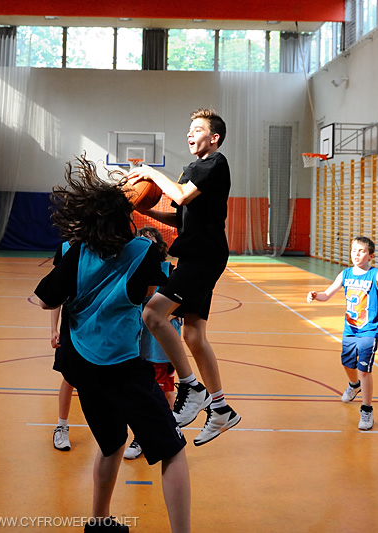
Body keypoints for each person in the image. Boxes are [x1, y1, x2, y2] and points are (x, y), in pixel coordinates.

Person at [34, 156, 190, 532]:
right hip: (122, 366)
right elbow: (158, 296)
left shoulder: (75, 252)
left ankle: (99, 522)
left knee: (112, 443)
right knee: (172, 450)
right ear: (128, 216)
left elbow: (45, 300)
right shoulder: (143, 252)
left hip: (82, 366)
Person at [127, 108, 240, 446]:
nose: (190, 134)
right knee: (193, 335)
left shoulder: (214, 163)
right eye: (189, 129)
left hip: (204, 256)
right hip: (197, 254)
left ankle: (192, 388)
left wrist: (149, 171)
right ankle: (221, 409)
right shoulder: (193, 169)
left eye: (198, 129)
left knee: (152, 314)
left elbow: (180, 195)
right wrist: (147, 210)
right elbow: (181, 217)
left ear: (214, 137)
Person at [306, 236, 378, 430]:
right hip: (350, 329)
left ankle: (367, 410)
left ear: (370, 256)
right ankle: (354, 385)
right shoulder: (345, 274)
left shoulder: (376, 275)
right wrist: (316, 295)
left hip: (369, 329)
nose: (356, 254)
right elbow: (327, 294)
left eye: (361, 251)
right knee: (347, 363)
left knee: (364, 370)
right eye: (353, 250)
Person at [124, 226, 181, 461]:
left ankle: (168, 430)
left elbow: (182, 303)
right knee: (139, 392)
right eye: (142, 240)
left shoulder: (171, 270)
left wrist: (170, 313)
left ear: (159, 245)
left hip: (159, 344)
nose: (147, 243)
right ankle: (141, 435)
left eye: (151, 239)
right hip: (135, 342)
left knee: (164, 390)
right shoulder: (131, 269)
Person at [49, 240, 75, 452]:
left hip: (100, 325)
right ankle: (61, 426)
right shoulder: (67, 248)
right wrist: (53, 329)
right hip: (72, 325)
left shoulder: (106, 247)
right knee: (69, 377)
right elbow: (54, 293)